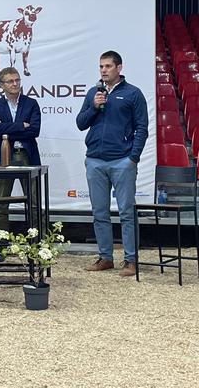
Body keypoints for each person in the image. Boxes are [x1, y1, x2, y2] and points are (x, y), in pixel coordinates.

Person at [76, 50, 148, 277]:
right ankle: (105, 258)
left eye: (108, 66)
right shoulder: (93, 93)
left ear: (119, 68)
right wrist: (93, 107)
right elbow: (80, 123)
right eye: (101, 67)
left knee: (127, 212)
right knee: (99, 212)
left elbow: (142, 128)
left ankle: (130, 260)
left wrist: (132, 158)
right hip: (95, 160)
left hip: (121, 161)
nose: (103, 70)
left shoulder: (133, 94)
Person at [0, 67, 42, 260]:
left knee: (34, 202)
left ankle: (35, 246)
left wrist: (8, 129)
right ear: (1, 84)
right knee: (2, 202)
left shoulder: (31, 103)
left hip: (27, 155)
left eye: (17, 80)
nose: (15, 84)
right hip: (5, 156)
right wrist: (21, 126)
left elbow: (34, 130)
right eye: (10, 81)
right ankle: (1, 246)